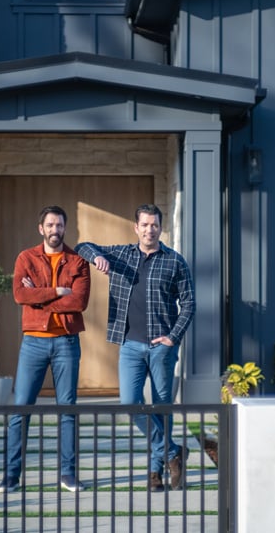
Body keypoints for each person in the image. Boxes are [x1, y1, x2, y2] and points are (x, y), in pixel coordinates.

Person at [76, 204, 195, 491]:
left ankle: (155, 473)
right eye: (144, 224)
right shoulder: (122, 255)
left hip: (161, 347)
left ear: (160, 227)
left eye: (154, 225)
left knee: (161, 408)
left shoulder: (175, 261)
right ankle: (172, 453)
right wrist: (98, 258)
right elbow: (82, 245)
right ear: (136, 227)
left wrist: (173, 337)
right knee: (131, 404)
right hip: (129, 344)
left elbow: (189, 303)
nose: (149, 229)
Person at [0, 205, 91, 493]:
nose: (55, 230)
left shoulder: (78, 261)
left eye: (59, 225)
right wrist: (56, 292)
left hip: (66, 342)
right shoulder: (26, 257)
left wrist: (39, 297)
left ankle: (68, 474)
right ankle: (11, 476)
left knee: (67, 410)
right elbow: (19, 294)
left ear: (65, 228)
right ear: (41, 229)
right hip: (34, 342)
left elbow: (79, 302)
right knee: (20, 409)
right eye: (50, 225)